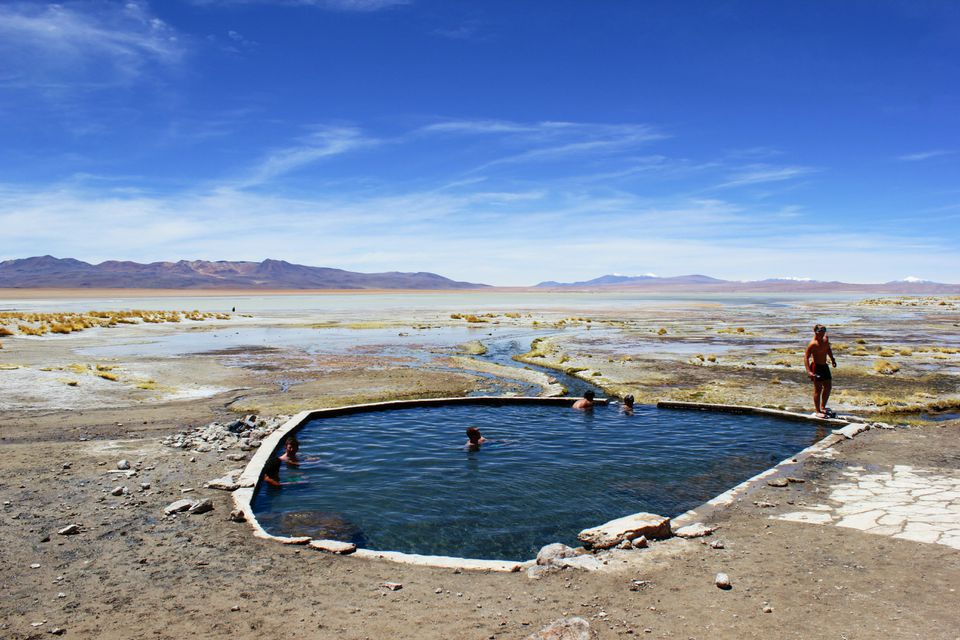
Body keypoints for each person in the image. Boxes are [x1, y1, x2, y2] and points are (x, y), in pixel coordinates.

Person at [804, 324, 838, 418]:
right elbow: (806, 357)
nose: (822, 334)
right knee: (818, 389)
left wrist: (833, 359)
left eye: (823, 332)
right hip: (816, 367)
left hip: (824, 366)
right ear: (815, 332)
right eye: (820, 332)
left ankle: (823, 407)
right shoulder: (813, 344)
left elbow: (828, 349)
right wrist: (809, 371)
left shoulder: (826, 339)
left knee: (828, 386)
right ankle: (817, 410)